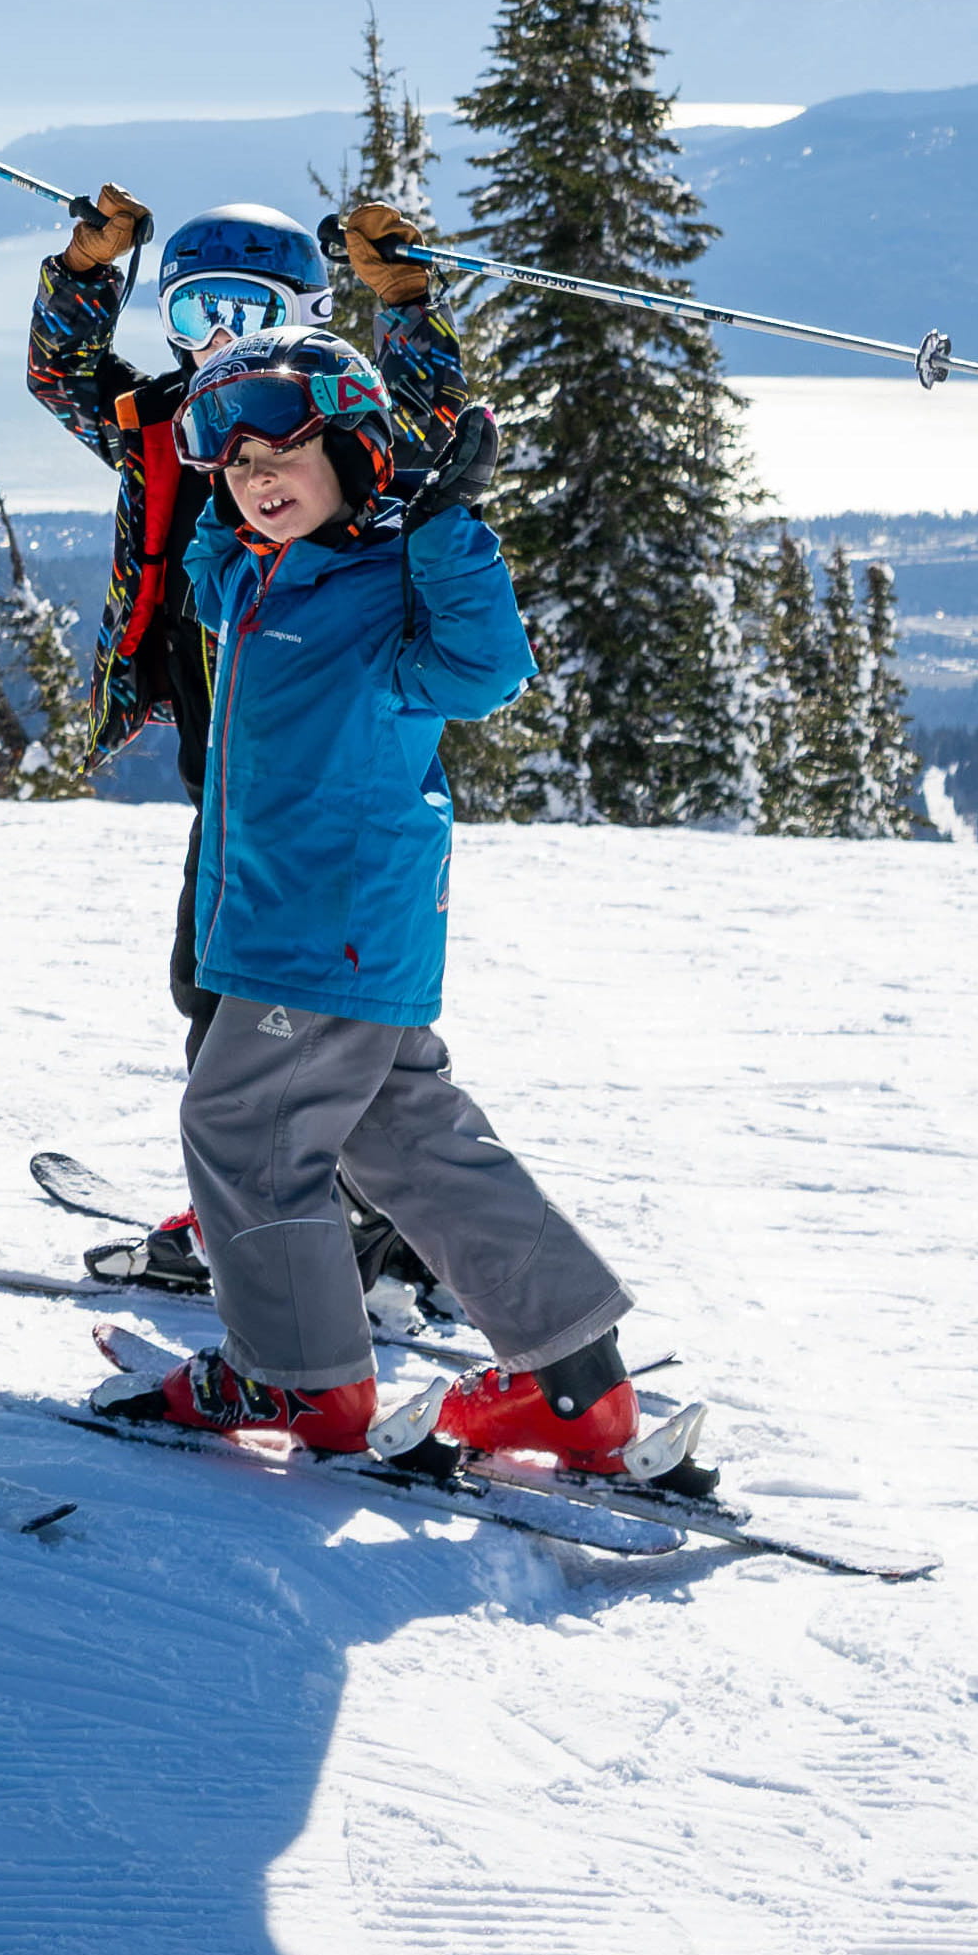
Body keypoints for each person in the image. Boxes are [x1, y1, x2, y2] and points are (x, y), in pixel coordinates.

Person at [86, 324, 667, 1476]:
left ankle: (299, 1384)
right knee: (407, 1141)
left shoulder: (386, 588)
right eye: (232, 461)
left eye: (281, 453)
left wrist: (447, 525)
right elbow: (200, 573)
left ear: (354, 450)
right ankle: (576, 1387)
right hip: (315, 929)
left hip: (325, 930)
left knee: (240, 1129)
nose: (255, 479)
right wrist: (181, 460)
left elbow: (486, 667)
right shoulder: (256, 573)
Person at [26, 190, 475, 1304]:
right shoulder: (168, 420)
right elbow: (61, 379)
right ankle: (328, 1213)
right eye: (194, 308)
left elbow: (428, 422)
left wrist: (408, 301)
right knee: (222, 988)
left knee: (285, 1000)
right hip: (230, 768)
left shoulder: (336, 424)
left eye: (251, 305)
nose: (221, 334)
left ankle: (297, 1222)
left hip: (327, 765)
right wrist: (88, 273)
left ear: (309, 310)